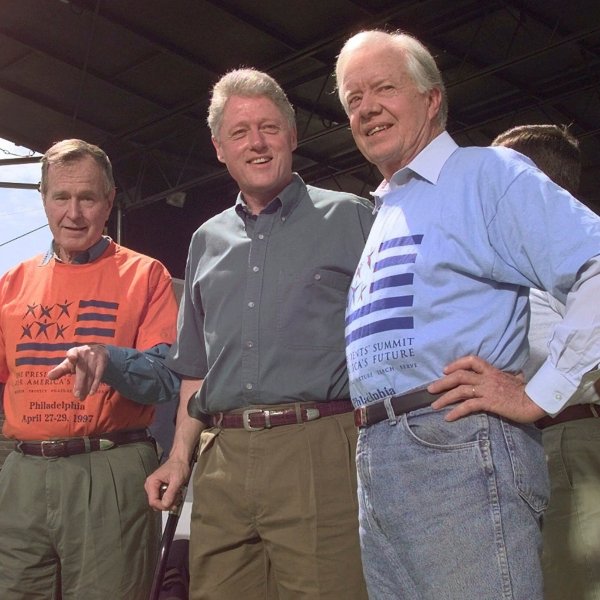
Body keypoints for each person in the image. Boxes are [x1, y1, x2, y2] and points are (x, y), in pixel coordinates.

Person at [335, 30, 600, 599]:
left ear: (432, 99)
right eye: (353, 98)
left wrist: (540, 392)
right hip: (383, 455)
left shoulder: (487, 174)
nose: (367, 108)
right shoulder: (389, 207)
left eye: (384, 87)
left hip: (455, 447)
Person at [145, 68, 374, 600]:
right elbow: (194, 371)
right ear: (219, 148)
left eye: (270, 128)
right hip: (221, 455)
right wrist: (179, 458)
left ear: (293, 137)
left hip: (318, 445)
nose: (257, 143)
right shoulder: (206, 240)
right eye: (241, 131)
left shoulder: (351, 217)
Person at [0, 139, 180, 600]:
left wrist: (110, 359)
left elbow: (164, 378)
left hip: (108, 472)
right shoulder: (11, 284)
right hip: (21, 474)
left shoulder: (147, 275)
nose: (73, 213)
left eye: (87, 198)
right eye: (61, 197)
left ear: (110, 201)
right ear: (44, 199)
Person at [492, 124, 600, 599]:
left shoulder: (570, 261)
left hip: (567, 438)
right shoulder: (516, 257)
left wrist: (539, 395)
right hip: (538, 444)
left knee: (573, 585)